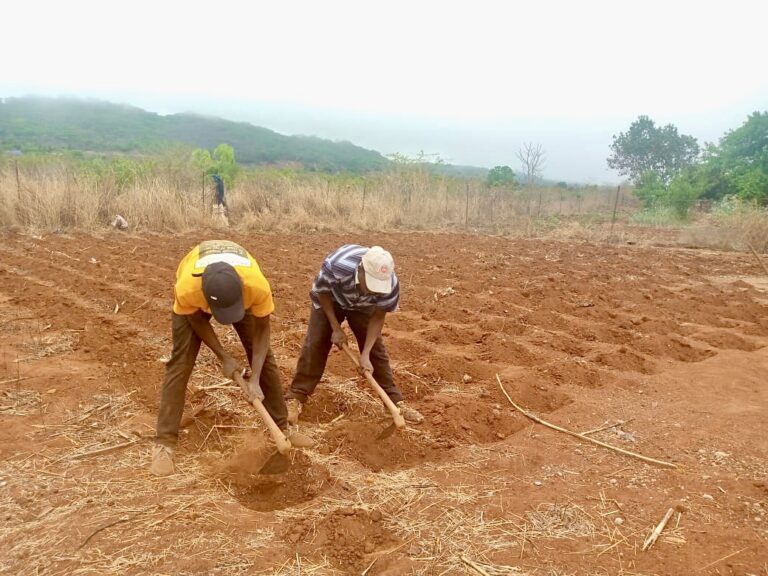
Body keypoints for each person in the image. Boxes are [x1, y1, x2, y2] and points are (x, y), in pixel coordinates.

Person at [151, 240, 312, 476]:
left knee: (263, 359)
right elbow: (195, 320)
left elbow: (262, 329)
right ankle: (164, 443)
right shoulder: (188, 289)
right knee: (180, 363)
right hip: (194, 306)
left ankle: (282, 427)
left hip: (239, 293)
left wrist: (254, 378)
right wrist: (223, 356)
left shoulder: (255, 287)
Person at [286, 245, 424, 425]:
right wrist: (335, 327)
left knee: (376, 350)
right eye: (372, 284)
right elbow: (322, 292)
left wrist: (365, 354)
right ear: (360, 270)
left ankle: (394, 403)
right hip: (332, 299)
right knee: (316, 343)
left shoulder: (390, 284)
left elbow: (378, 316)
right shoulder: (338, 266)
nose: (375, 290)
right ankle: (296, 396)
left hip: (363, 306)